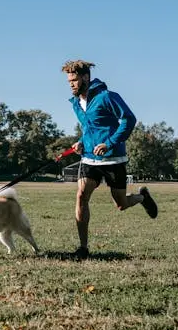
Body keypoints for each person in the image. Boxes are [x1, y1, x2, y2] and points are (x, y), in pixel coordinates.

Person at [62, 59, 157, 259]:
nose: (71, 84)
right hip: (89, 159)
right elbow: (90, 128)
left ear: (86, 77)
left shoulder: (107, 97)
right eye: (69, 81)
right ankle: (83, 248)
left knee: (121, 204)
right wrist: (81, 142)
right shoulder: (76, 103)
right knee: (81, 195)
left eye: (75, 80)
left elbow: (129, 119)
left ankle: (142, 197)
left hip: (113, 158)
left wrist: (110, 143)